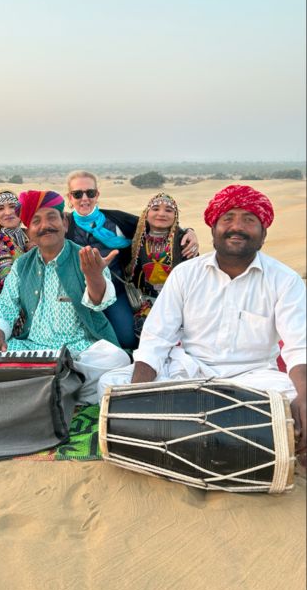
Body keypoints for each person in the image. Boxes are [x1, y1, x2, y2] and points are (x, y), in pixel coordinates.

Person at [98, 184, 306, 463]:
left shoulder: (284, 279)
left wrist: (303, 396)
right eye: (228, 218)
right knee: (112, 384)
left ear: (264, 233)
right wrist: (137, 393)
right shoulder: (186, 274)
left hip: (254, 378)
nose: (237, 227)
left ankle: (178, 429)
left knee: (299, 400)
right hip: (188, 371)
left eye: (249, 220)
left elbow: (298, 346)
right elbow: (156, 338)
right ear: (213, 228)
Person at [0, 189, 130, 403]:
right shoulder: (22, 264)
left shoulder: (86, 257)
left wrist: (94, 276)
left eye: (51, 218)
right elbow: (5, 304)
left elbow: (99, 302)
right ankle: (63, 388)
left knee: (118, 360)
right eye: (36, 221)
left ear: (65, 223)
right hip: (32, 348)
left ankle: (42, 388)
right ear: (29, 230)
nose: (44, 226)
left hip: (78, 351)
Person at [65, 171, 198, 350]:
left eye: (90, 193)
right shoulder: (63, 225)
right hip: (77, 294)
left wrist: (189, 232)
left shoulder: (115, 220)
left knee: (127, 339)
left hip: (115, 292)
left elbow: (156, 223)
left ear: (97, 195)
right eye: (77, 194)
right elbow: (35, 229)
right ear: (69, 197)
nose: (84, 199)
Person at [126, 192, 195, 337]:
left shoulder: (184, 242)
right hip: (145, 302)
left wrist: (190, 231)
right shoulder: (137, 238)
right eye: (156, 209)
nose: (161, 214)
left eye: (169, 210)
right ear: (146, 213)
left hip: (178, 304)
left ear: (175, 217)